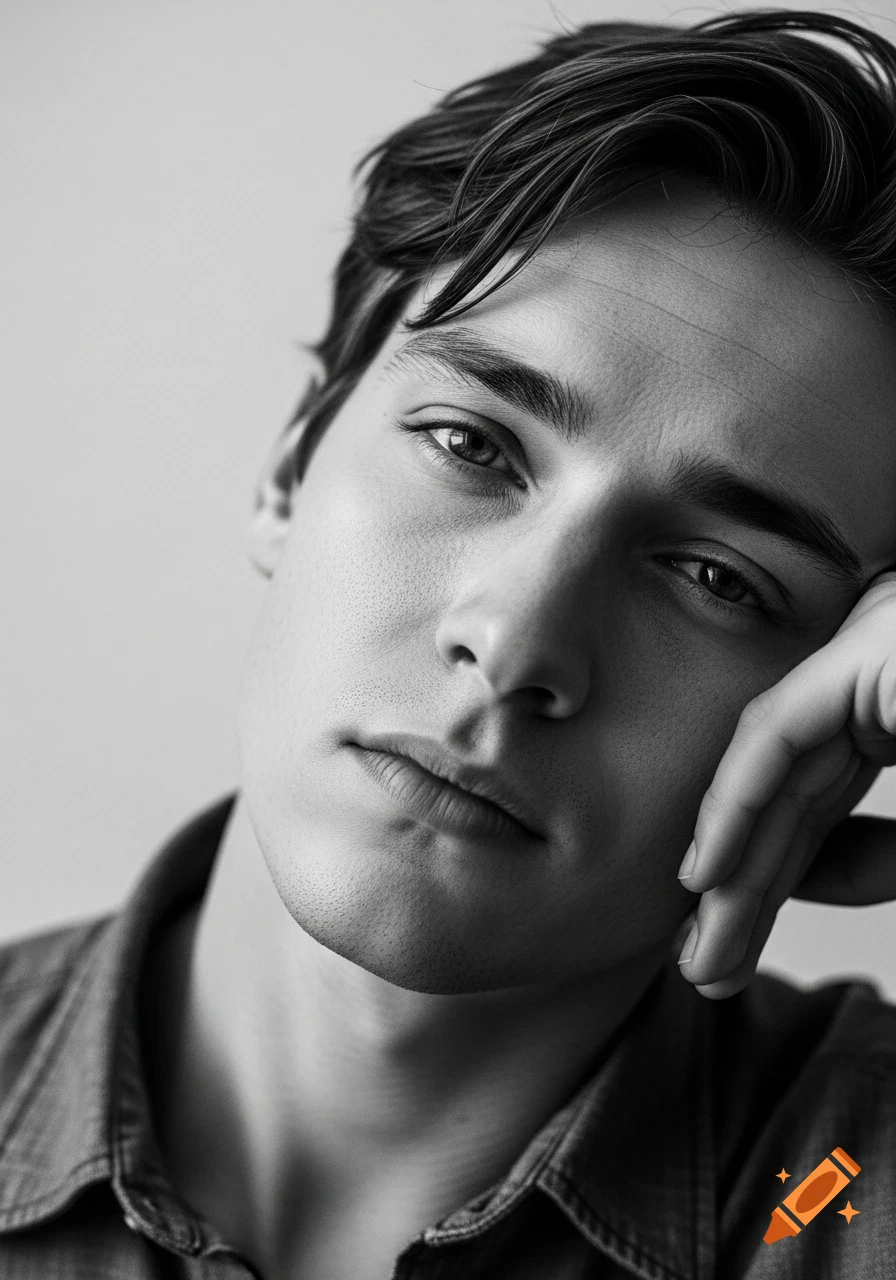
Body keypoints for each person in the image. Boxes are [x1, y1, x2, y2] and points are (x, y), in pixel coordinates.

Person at [1, 8, 895, 1278]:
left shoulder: (851, 1189)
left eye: (716, 576)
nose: (515, 644)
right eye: (469, 445)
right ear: (291, 466)